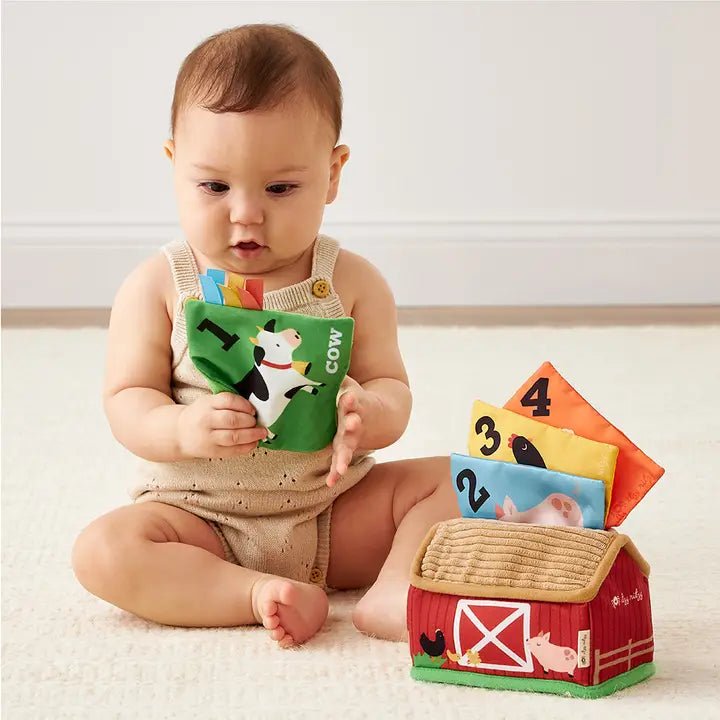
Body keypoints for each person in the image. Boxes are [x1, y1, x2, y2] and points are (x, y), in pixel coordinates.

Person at [72, 23, 458, 647]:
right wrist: (181, 428)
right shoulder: (160, 285)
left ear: (332, 173)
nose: (246, 212)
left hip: (333, 511)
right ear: (174, 166)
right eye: (214, 186)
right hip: (200, 520)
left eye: (281, 188)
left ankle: (395, 589)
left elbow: (392, 387)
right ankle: (253, 593)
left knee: (458, 481)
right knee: (103, 551)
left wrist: (369, 412)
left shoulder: (352, 283)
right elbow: (126, 400)